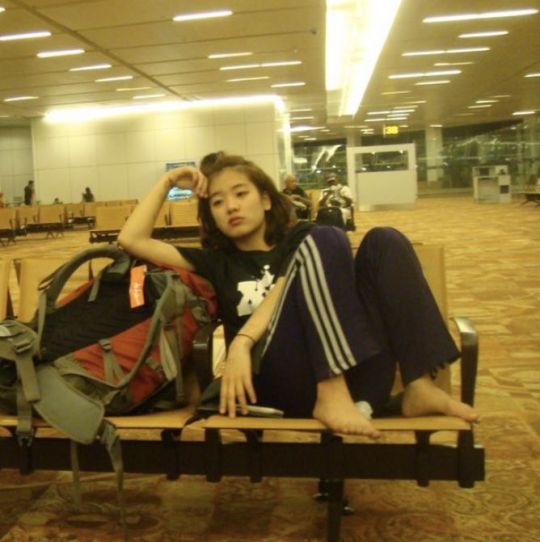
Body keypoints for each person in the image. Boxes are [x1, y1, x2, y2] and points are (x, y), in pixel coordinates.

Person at [118, 153, 478, 438]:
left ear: (266, 200)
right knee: (327, 236)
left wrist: (241, 341)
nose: (231, 206)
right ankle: (330, 393)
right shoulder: (215, 262)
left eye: (241, 194)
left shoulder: (300, 240)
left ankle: (418, 384)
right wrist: (168, 181)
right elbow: (131, 239)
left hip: (355, 373)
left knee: (384, 240)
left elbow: (284, 287)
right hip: (280, 379)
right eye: (217, 202)